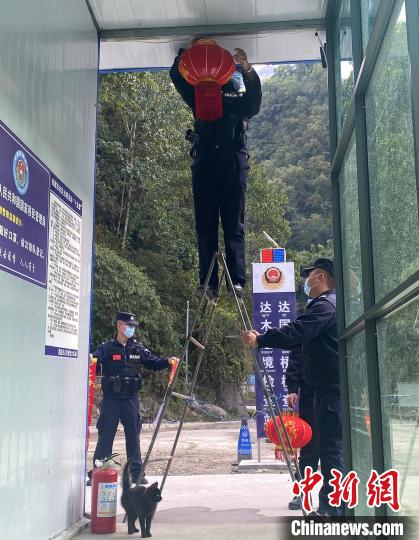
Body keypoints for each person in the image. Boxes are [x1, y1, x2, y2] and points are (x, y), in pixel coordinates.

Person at [241, 258, 343, 516]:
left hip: (330, 392)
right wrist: (294, 386)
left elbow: (295, 332)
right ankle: (309, 496)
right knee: (310, 446)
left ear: (320, 277)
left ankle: (333, 509)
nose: (306, 281)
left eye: (309, 276)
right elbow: (299, 352)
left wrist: (261, 339)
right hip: (315, 391)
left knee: (331, 451)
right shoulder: (322, 307)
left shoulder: (326, 307)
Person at [169, 41, 262, 298]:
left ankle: (235, 281)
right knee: (206, 224)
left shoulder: (239, 103)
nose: (215, 92)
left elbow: (254, 101)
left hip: (232, 163)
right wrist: (186, 56)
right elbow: (177, 77)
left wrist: (247, 69)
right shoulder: (199, 98)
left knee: (232, 224)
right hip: (207, 163)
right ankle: (209, 283)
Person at [88, 311, 179, 486]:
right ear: (119, 326)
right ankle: (99, 472)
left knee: (133, 437)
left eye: (133, 326)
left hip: (130, 399)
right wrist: (91, 359)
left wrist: (168, 361)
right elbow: (93, 361)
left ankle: (136, 473)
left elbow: (152, 362)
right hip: (111, 400)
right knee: (106, 435)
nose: (131, 329)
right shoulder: (106, 348)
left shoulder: (137, 348)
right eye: (129, 325)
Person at [286, 346, 319, 510]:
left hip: (338, 392)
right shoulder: (306, 329)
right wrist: (293, 388)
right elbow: (296, 355)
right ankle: (303, 492)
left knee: (336, 448)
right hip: (310, 393)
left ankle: (337, 495)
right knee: (309, 445)